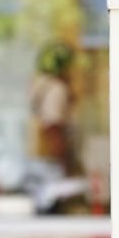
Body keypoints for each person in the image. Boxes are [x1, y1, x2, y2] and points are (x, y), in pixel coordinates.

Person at [29, 41, 78, 174]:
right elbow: (53, 128)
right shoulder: (57, 89)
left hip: (40, 163)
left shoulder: (39, 85)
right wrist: (67, 167)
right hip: (53, 166)